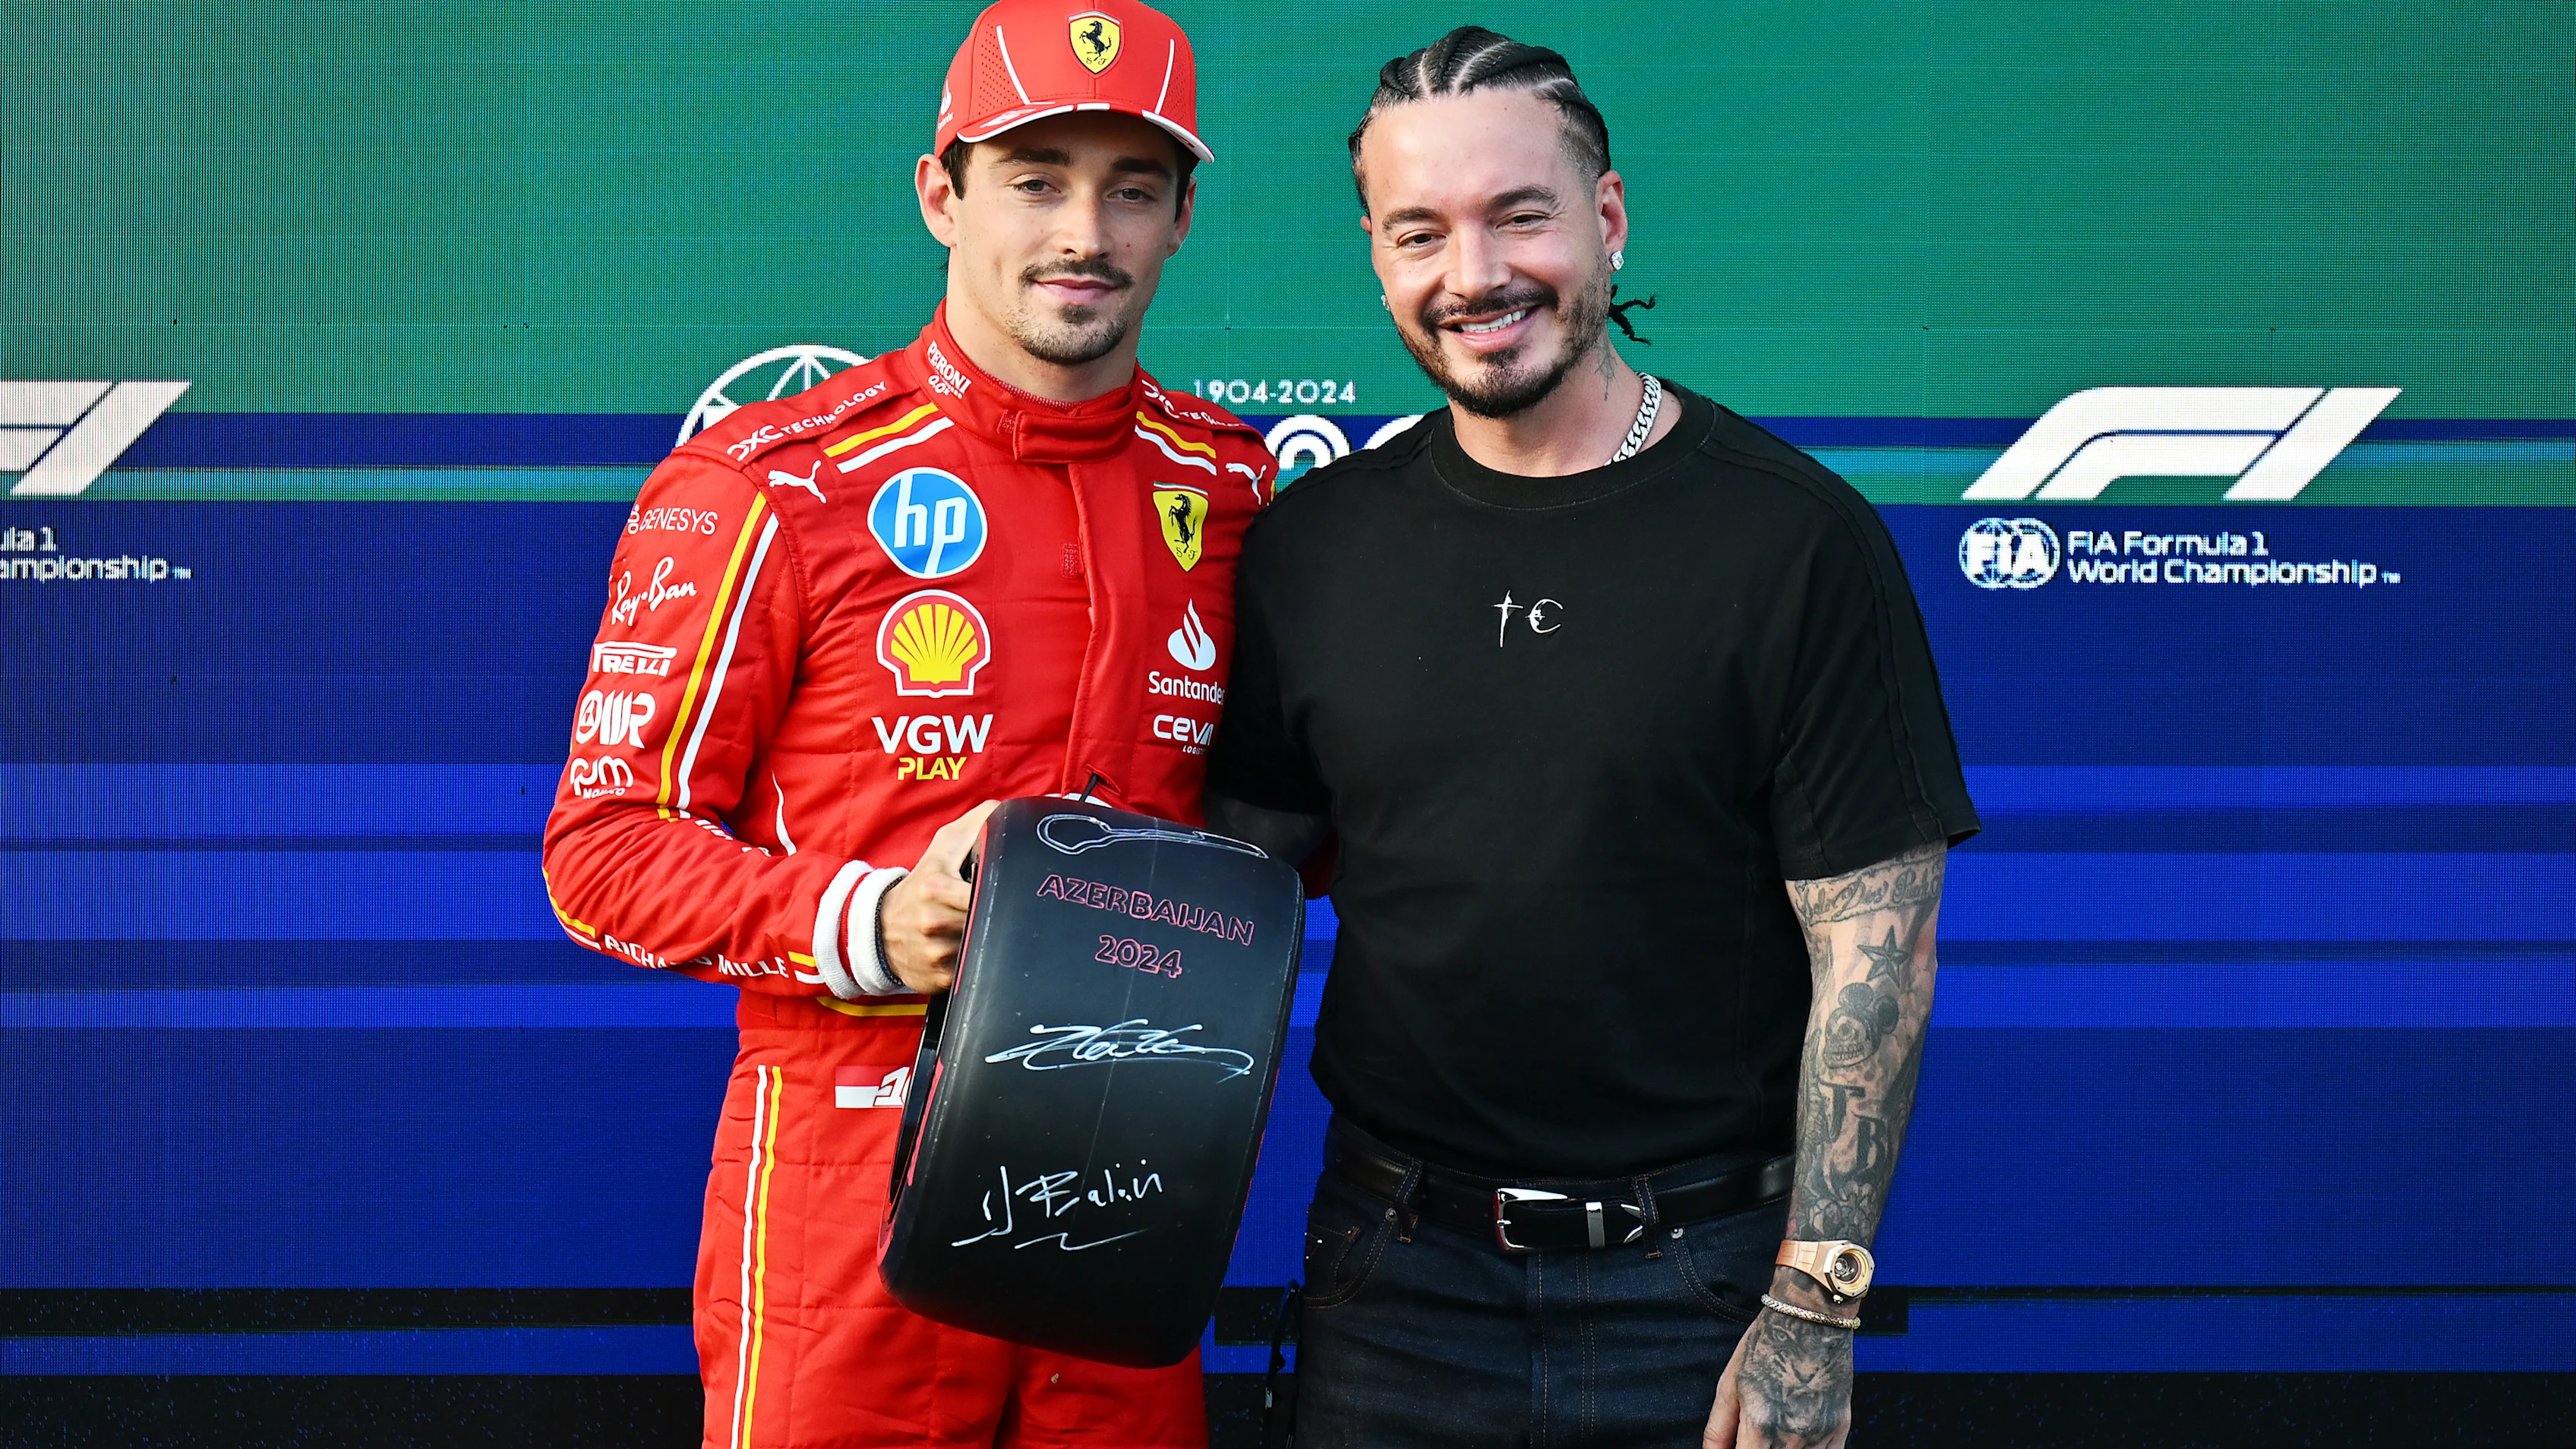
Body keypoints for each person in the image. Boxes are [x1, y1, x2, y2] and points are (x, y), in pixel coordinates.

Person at [1204, 27, 1978, 1449]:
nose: (1474, 275)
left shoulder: (1793, 543)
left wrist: (1813, 1310)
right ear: (1376, 255)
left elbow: (1878, 952)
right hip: (1389, 1279)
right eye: (1419, 231)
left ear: (1607, 219)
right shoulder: (1312, 547)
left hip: (1704, 1293)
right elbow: (1231, 890)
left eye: (1521, 215)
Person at [541, 4, 1275, 1444]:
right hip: (841, 1185)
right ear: (941, 191)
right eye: (1036, 178)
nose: (1085, 230)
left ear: (1184, 218)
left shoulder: (1231, 486)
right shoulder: (768, 483)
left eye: (1132, 187)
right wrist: (875, 922)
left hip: (1133, 1176)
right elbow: (602, 853)